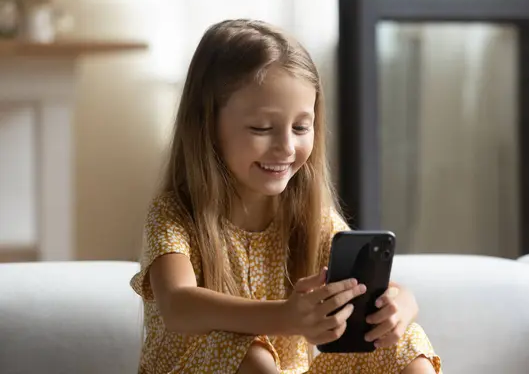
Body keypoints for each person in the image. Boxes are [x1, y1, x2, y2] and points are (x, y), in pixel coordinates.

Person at [130, 19, 442, 374]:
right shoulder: (174, 214)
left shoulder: (309, 217)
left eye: (300, 127)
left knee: (407, 344)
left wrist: (402, 303)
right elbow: (178, 305)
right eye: (262, 128)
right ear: (207, 126)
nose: (286, 147)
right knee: (253, 358)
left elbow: (368, 290)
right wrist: (287, 316)